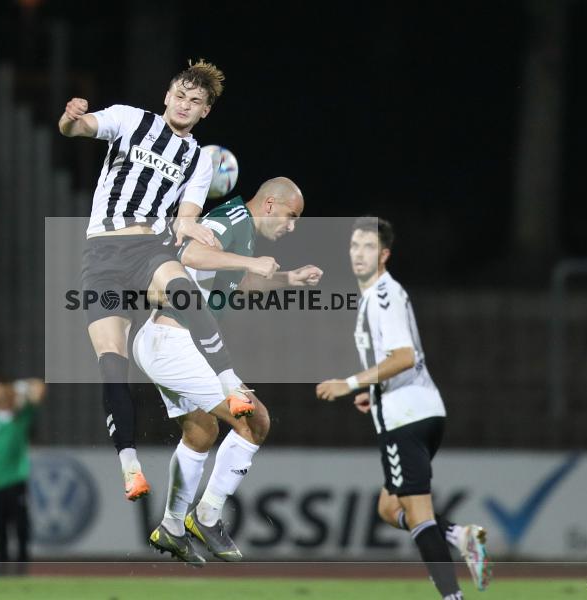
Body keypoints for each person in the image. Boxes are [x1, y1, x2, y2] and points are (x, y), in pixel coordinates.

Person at [58, 58, 251, 502]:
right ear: (167, 96)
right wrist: (70, 118)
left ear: (205, 112)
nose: (185, 105)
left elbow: (185, 217)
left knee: (184, 292)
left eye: (195, 101)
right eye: (180, 96)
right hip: (103, 254)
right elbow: (81, 128)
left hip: (148, 250)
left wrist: (192, 227)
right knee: (112, 367)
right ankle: (130, 468)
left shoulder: (198, 159)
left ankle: (229, 383)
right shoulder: (130, 120)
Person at [132, 177, 322, 564]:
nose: (292, 225)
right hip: (173, 344)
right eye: (291, 216)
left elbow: (236, 280)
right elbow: (188, 254)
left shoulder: (243, 231)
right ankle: (208, 515)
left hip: (168, 342)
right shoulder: (234, 218)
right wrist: (250, 261)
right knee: (255, 421)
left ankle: (170, 526)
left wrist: (289, 279)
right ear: (269, 205)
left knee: (202, 431)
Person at [316, 217, 490, 597]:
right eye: (354, 245)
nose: (359, 253)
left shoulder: (382, 296)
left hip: (406, 417)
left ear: (384, 255)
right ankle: (461, 536)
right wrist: (373, 391)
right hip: (419, 409)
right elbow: (397, 361)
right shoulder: (377, 295)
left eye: (368, 247)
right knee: (387, 506)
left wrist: (349, 384)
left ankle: (452, 595)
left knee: (418, 516)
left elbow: (404, 356)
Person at [0, 377, 45, 572]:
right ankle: (0, 568)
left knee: (21, 527)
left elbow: (40, 389)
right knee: (0, 528)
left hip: (17, 479)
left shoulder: (21, 416)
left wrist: (19, 387)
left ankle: (22, 567)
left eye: (1, 390)